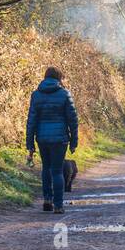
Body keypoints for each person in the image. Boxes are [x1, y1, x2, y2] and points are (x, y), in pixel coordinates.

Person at [25, 66, 79, 214]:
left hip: (42, 138)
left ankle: (47, 200)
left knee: (46, 168)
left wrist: (30, 143)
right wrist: (74, 141)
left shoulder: (36, 95)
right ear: (59, 78)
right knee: (56, 170)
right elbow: (73, 120)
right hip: (60, 139)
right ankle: (58, 205)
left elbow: (31, 121)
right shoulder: (64, 94)